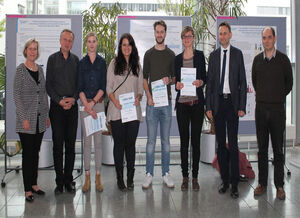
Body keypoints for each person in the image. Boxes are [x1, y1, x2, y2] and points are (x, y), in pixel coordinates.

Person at [206, 22, 247, 199]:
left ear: (230, 35)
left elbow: (243, 82)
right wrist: (208, 107)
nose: (222, 36)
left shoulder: (237, 54)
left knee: (234, 144)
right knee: (221, 145)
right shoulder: (214, 56)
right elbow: (210, 84)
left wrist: (242, 107)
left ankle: (235, 183)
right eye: (220, 34)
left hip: (232, 104)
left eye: (225, 33)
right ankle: (225, 180)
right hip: (218, 105)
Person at [252, 27, 293, 200]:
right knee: (261, 149)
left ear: (274, 39)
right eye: (264, 38)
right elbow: (255, 82)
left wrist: (276, 96)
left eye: (269, 37)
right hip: (261, 110)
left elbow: (289, 84)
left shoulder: (283, 60)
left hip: (277, 110)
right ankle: (262, 183)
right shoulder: (257, 60)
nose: (266, 40)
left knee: (277, 150)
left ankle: (279, 186)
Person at [13, 38, 50, 202]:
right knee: (27, 154)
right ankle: (27, 189)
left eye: (35, 49)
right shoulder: (20, 70)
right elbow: (16, 95)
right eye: (30, 49)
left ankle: (34, 184)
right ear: (26, 51)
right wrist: (23, 118)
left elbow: (43, 94)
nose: (33, 51)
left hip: (40, 119)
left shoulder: (40, 70)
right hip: (26, 120)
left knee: (35, 153)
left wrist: (47, 114)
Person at [106, 33, 143, 191]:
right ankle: (120, 178)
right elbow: (108, 87)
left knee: (130, 145)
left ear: (132, 47)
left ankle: (130, 178)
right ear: (120, 47)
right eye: (123, 45)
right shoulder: (114, 63)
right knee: (119, 146)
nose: (126, 48)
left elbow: (140, 88)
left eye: (129, 44)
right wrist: (116, 102)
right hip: (117, 111)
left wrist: (138, 98)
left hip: (132, 112)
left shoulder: (137, 65)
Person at [142, 20, 176, 189]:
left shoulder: (171, 54)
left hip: (166, 104)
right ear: (154, 33)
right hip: (151, 104)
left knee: (165, 141)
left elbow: (175, 79)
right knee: (150, 142)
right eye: (157, 31)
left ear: (165, 33)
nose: (160, 34)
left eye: (162, 31)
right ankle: (149, 174)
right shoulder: (148, 54)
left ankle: (166, 173)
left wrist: (169, 80)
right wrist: (148, 96)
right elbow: (144, 79)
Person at [46, 29, 79, 194]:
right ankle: (59, 181)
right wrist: (59, 101)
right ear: (60, 41)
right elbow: (48, 85)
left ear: (72, 42)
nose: (67, 42)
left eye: (70, 40)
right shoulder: (52, 59)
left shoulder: (75, 60)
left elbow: (79, 85)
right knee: (58, 145)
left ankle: (68, 180)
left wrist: (73, 99)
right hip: (57, 109)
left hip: (72, 108)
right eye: (65, 39)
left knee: (71, 146)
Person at [174, 26, 206, 191]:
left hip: (197, 105)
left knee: (196, 142)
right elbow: (176, 84)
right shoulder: (177, 59)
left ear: (193, 38)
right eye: (184, 36)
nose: (187, 38)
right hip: (182, 106)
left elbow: (204, 78)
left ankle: (195, 177)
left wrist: (200, 82)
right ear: (182, 38)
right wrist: (177, 84)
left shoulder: (200, 56)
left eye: (190, 36)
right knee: (184, 143)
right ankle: (185, 176)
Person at [78, 32, 107, 193]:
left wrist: (93, 104)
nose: (91, 44)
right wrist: (87, 106)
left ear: (97, 43)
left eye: (94, 41)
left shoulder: (102, 63)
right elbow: (79, 87)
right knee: (87, 142)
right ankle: (87, 176)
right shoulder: (81, 63)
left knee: (98, 143)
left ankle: (98, 176)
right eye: (88, 41)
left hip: (98, 104)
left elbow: (103, 86)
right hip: (84, 106)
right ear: (86, 44)